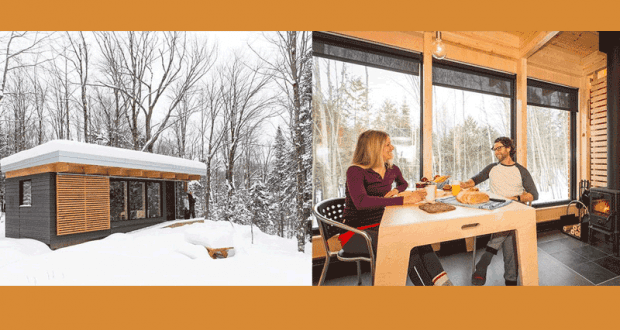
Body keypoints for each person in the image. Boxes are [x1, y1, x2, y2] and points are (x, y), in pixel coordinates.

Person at [339, 130, 453, 286]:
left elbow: (403, 184)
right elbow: (361, 202)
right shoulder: (355, 171)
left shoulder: (390, 169)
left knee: (417, 236)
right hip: (356, 234)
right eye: (387, 144)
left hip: (382, 226)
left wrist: (395, 191)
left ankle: (443, 283)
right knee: (405, 243)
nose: (392, 148)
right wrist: (401, 200)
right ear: (375, 148)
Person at [460, 137, 538, 286]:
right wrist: (464, 184)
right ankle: (510, 280)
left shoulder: (521, 171)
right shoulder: (492, 168)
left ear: (509, 148)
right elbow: (475, 180)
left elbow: (534, 194)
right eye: (494, 149)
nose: (496, 152)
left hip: (514, 209)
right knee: (510, 233)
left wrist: (515, 198)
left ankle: (485, 261)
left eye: (499, 148)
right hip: (496, 211)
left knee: (510, 232)